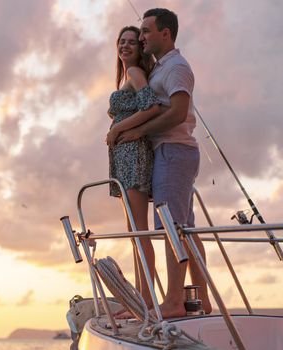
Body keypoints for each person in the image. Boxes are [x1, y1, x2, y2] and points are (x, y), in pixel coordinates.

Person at [112, 8, 212, 318]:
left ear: (165, 34)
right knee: (185, 230)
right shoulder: (158, 69)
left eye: (145, 32)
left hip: (174, 150)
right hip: (166, 152)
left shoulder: (176, 68)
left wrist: (134, 130)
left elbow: (177, 112)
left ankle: (173, 302)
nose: (141, 38)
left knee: (172, 229)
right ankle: (202, 300)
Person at [106, 26, 163, 307]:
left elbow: (151, 107)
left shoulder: (135, 73)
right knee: (134, 233)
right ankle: (143, 299)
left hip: (133, 155)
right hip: (125, 156)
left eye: (132, 42)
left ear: (140, 49)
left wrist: (118, 130)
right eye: (122, 41)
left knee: (139, 232)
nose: (126, 46)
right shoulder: (128, 75)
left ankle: (147, 301)